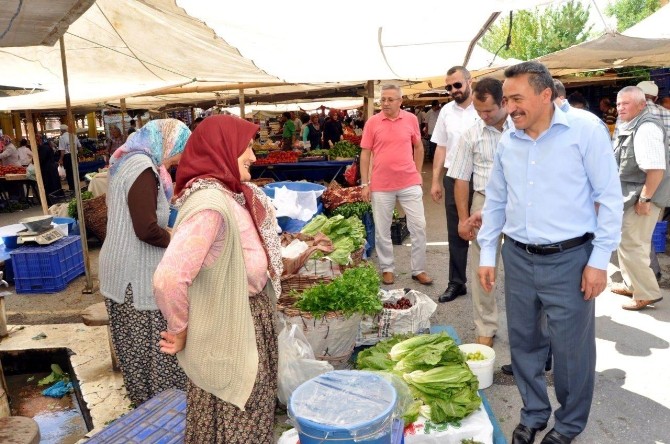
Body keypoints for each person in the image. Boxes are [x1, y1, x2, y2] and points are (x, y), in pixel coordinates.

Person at [478, 61, 622, 444]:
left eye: (517, 99)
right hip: (519, 257)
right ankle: (534, 412)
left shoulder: (586, 131)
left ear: (545, 95)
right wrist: (487, 254)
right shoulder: (510, 139)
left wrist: (598, 261)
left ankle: (570, 424)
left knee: (571, 350)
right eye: (507, 100)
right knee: (524, 342)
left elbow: (609, 199)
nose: (510, 108)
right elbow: (496, 200)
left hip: (571, 260)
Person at [153, 115, 283, 443]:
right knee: (237, 415)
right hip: (233, 328)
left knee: (240, 413)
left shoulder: (231, 196)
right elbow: (168, 278)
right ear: (222, 150)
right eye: (246, 149)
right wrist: (180, 330)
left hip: (246, 322)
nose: (254, 157)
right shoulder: (210, 207)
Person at [98, 119, 190, 407]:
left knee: (137, 353)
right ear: (167, 143)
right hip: (133, 277)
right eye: (179, 150)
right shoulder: (142, 168)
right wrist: (175, 237)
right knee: (153, 352)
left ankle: (148, 412)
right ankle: (160, 414)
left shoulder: (131, 161)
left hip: (123, 271)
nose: (179, 159)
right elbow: (146, 228)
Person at [448, 77, 508, 348]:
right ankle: (486, 326)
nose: (483, 117)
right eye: (478, 111)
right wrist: (463, 218)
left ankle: (528, 328)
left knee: (523, 266)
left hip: (521, 202)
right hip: (484, 201)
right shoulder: (471, 134)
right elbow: (461, 178)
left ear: (503, 103)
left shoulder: (521, 129)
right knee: (483, 267)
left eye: (489, 111)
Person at [359, 84, 432, 286]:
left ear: (400, 101)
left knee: (419, 227)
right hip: (381, 185)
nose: (386, 103)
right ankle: (387, 268)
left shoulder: (410, 120)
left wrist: (417, 173)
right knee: (382, 230)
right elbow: (365, 154)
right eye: (383, 99)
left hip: (409, 183)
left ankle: (418, 269)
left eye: (391, 99)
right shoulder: (372, 123)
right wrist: (365, 183)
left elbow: (418, 146)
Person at [610, 86, 667, 311]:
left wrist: (645, 200)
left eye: (625, 103)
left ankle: (647, 293)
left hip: (644, 198)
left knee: (635, 244)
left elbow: (655, 169)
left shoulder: (646, 127)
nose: (620, 108)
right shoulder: (632, 124)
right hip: (634, 195)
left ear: (642, 104)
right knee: (627, 241)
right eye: (618, 103)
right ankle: (632, 284)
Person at [430, 66, 480, 303]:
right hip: (453, 176)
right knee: (456, 231)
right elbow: (441, 146)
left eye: (457, 85)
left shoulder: (484, 106)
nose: (453, 90)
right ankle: (457, 282)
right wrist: (436, 181)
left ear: (470, 81)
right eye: (448, 87)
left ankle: (485, 281)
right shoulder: (446, 112)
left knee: (486, 231)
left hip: (481, 176)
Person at [58, 124, 81, 191]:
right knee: (76, 171)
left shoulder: (61, 138)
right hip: (75, 156)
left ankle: (72, 188)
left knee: (69, 173)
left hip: (67, 157)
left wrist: (61, 159)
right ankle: (77, 187)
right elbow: (80, 148)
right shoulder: (74, 136)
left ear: (61, 131)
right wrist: (77, 153)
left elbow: (62, 150)